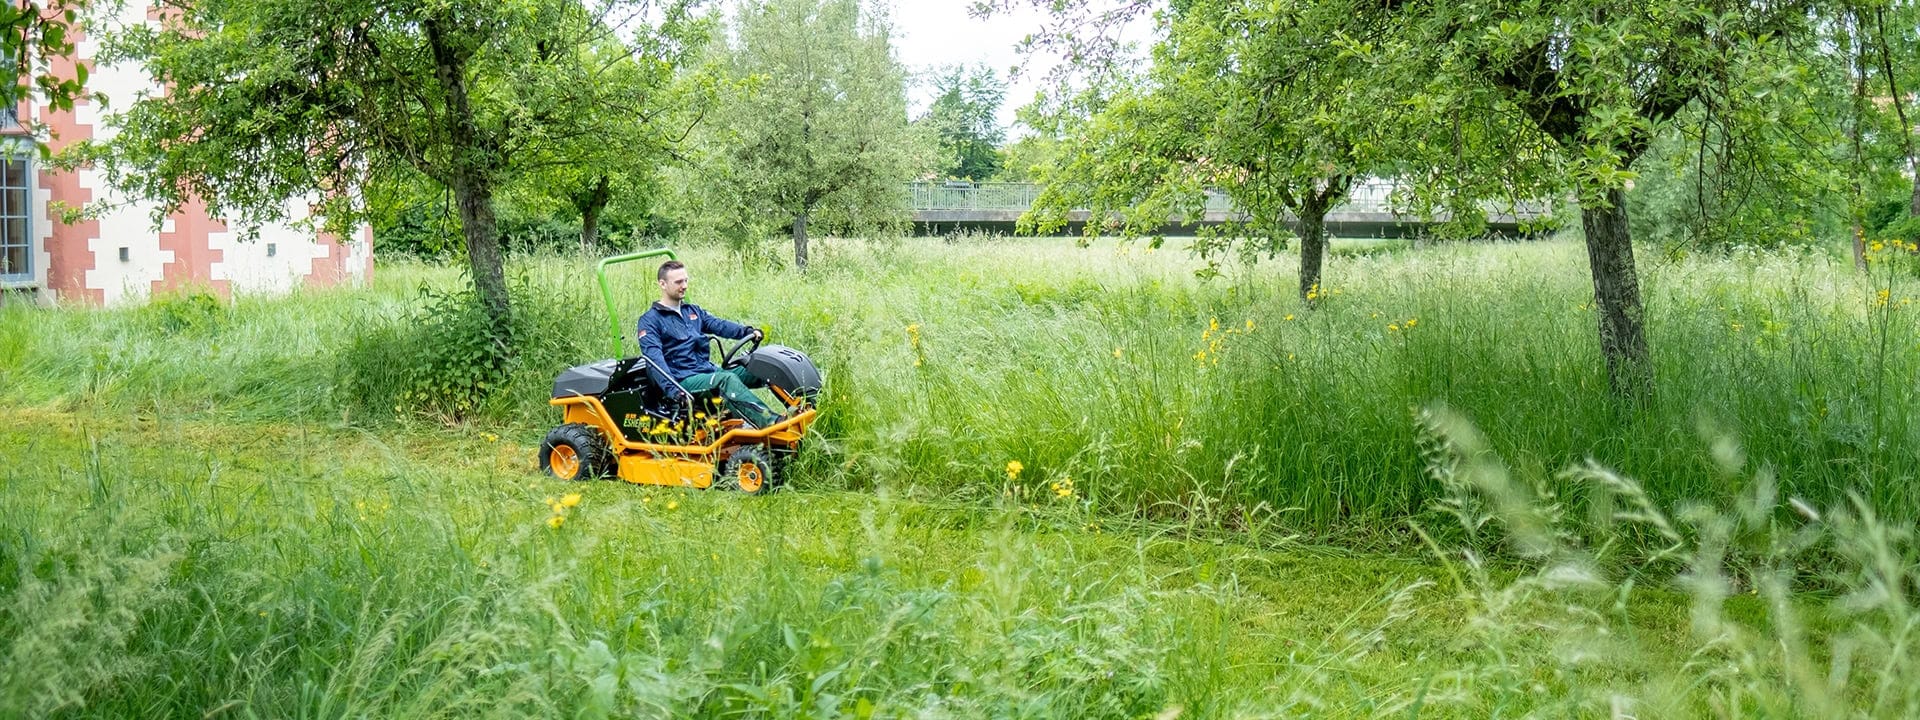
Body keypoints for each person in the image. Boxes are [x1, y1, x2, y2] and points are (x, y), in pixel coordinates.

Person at [637, 260, 781, 428]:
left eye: (686, 280)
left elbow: (718, 325)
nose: (684, 286)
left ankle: (801, 406)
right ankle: (773, 424)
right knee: (726, 379)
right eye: (678, 282)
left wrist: (747, 332)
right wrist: (675, 391)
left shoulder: (692, 311)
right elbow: (654, 360)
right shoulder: (650, 321)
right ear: (662, 284)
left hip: (707, 371)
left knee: (762, 365)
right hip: (682, 380)